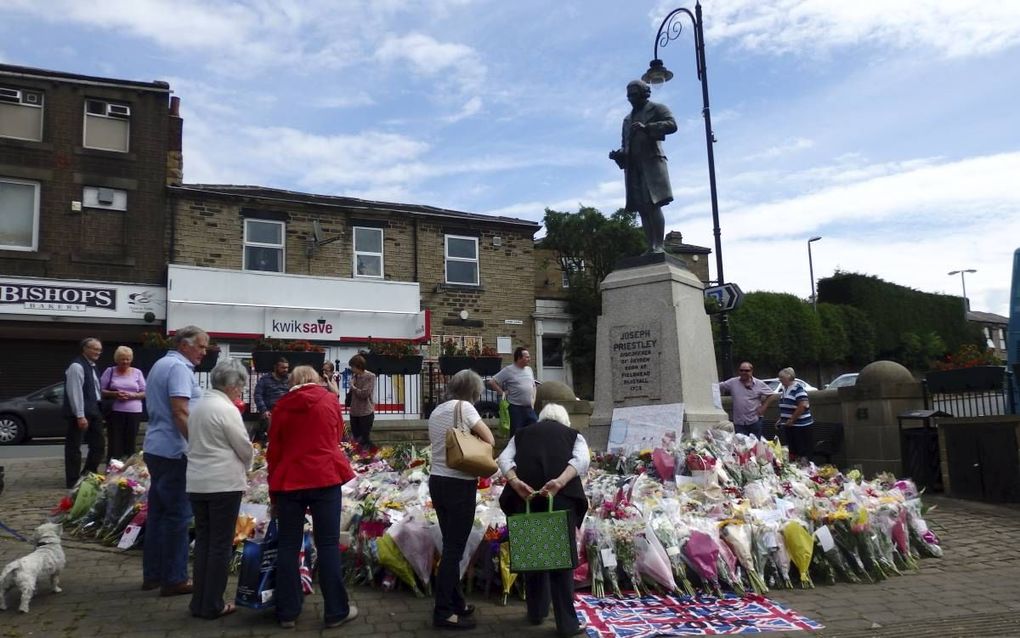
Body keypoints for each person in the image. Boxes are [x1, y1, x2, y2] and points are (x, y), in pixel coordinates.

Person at [267, 365, 357, 630]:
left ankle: (287, 612)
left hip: (289, 479)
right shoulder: (329, 400)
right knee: (328, 544)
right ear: (316, 380)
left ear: (293, 381)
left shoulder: (281, 406)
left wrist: (273, 494)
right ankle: (335, 612)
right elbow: (337, 434)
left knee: (288, 545)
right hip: (324, 476)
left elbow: (274, 451)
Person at [498, 403, 589, 637]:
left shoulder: (521, 434)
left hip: (526, 500)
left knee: (534, 554)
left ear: (542, 418)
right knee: (560, 563)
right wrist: (559, 482)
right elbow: (581, 461)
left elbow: (504, 459)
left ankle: (536, 612)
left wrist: (515, 482)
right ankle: (567, 624)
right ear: (564, 419)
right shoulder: (572, 435)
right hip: (559, 502)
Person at [141, 325, 209, 597]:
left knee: (158, 514)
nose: (204, 352)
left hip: (156, 447)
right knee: (179, 515)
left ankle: (153, 574)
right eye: (201, 346)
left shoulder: (161, 363)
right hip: (174, 450)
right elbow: (181, 411)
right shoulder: (179, 368)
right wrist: (199, 446)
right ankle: (175, 578)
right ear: (185, 345)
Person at [427, 370, 495, 630]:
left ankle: (457, 602)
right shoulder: (465, 408)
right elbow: (488, 439)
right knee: (454, 549)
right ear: (473, 391)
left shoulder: (436, 411)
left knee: (450, 545)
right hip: (459, 483)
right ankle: (443, 612)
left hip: (437, 481)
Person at [185, 359, 253, 619]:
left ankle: (199, 601)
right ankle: (213, 603)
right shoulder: (226, 409)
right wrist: (249, 462)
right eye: (240, 387)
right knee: (220, 545)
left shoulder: (200, 405)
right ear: (231, 385)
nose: (241, 392)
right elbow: (243, 446)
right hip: (223, 483)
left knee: (203, 541)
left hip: (198, 482)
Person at [608, 79, 677, 254]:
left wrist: (647, 128)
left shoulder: (657, 108)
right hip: (634, 167)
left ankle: (659, 245)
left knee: (653, 204)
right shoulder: (627, 120)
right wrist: (618, 155)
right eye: (629, 96)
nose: (631, 99)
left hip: (652, 163)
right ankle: (650, 246)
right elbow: (626, 145)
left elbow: (672, 125)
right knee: (642, 208)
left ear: (644, 93)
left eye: (634, 95)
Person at [62, 337, 105, 488]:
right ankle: (72, 480)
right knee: (74, 447)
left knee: (99, 445)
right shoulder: (77, 366)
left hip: (94, 411)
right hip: (80, 413)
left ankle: (88, 474)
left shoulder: (92, 366)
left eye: (99, 349)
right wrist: (80, 415)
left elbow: (95, 390)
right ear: (84, 349)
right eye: (94, 349)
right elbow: (75, 392)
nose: (98, 352)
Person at [99, 346, 146, 463]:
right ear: (116, 359)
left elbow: (145, 392)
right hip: (115, 412)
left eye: (128, 359)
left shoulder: (137, 372)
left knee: (130, 442)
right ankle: (112, 469)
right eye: (122, 359)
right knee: (115, 442)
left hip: (134, 412)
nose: (125, 362)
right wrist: (115, 394)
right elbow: (100, 389)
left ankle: (129, 472)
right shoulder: (110, 371)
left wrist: (132, 396)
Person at [487, 347, 538, 436]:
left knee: (533, 432)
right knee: (516, 435)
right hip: (515, 409)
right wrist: (502, 392)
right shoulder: (508, 370)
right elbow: (492, 381)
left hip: (529, 408)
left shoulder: (529, 370)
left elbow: (533, 386)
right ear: (519, 358)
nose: (529, 359)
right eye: (527, 357)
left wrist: (533, 400)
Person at [718, 361, 775, 438]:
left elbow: (771, 395)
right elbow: (718, 386)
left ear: (751, 371)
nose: (743, 372)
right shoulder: (732, 382)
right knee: (742, 447)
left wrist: (763, 407)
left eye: (746, 370)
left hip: (754, 421)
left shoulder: (759, 384)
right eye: (741, 370)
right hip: (739, 423)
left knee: (755, 446)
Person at [776, 367, 814, 462]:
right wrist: (782, 419)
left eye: (781, 377)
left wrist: (792, 419)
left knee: (801, 449)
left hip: (800, 425)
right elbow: (787, 406)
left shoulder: (798, 389)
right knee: (792, 449)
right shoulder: (785, 389)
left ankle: (804, 465)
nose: (779, 379)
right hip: (789, 425)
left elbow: (803, 405)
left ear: (788, 377)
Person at [252, 356, 289, 445]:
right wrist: (264, 410)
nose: (286, 370)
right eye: (283, 368)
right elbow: (258, 395)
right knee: (268, 425)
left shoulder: (289, 380)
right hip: (270, 411)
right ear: (275, 367)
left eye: (287, 367)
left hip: (285, 412)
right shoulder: (265, 379)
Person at [347, 354, 376, 448]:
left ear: (358, 366)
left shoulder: (370, 376)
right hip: (354, 412)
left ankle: (371, 459)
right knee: (356, 439)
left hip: (365, 412)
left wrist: (353, 387)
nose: (351, 369)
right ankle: (357, 459)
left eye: (352, 367)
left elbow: (364, 394)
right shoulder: (354, 376)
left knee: (365, 439)